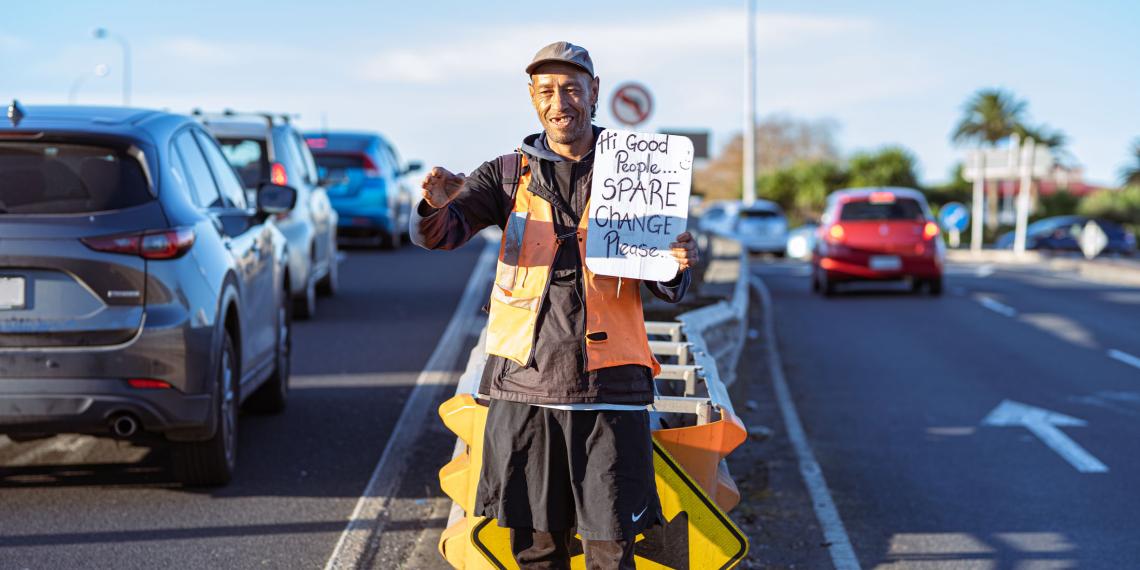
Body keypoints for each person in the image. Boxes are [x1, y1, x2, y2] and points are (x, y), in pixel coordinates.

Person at [412, 41, 697, 570]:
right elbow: (442, 234)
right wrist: (435, 204)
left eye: (570, 88)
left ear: (594, 92)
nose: (558, 101)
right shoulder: (504, 173)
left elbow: (664, 282)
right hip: (526, 386)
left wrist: (678, 262)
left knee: (612, 551)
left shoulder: (637, 170)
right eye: (545, 91)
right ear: (531, 99)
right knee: (538, 551)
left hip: (610, 386)